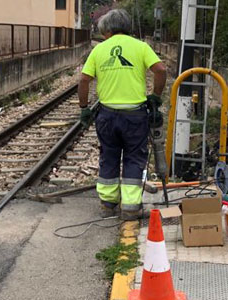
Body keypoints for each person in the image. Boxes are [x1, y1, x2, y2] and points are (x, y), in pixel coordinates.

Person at [78, 9, 167, 220]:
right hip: (135, 116)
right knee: (134, 158)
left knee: (108, 156)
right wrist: (155, 96)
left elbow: (83, 80)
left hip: (107, 116)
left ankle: (108, 205)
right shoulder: (141, 47)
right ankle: (130, 208)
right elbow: (161, 70)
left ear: (107, 30)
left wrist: (84, 108)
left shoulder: (99, 50)